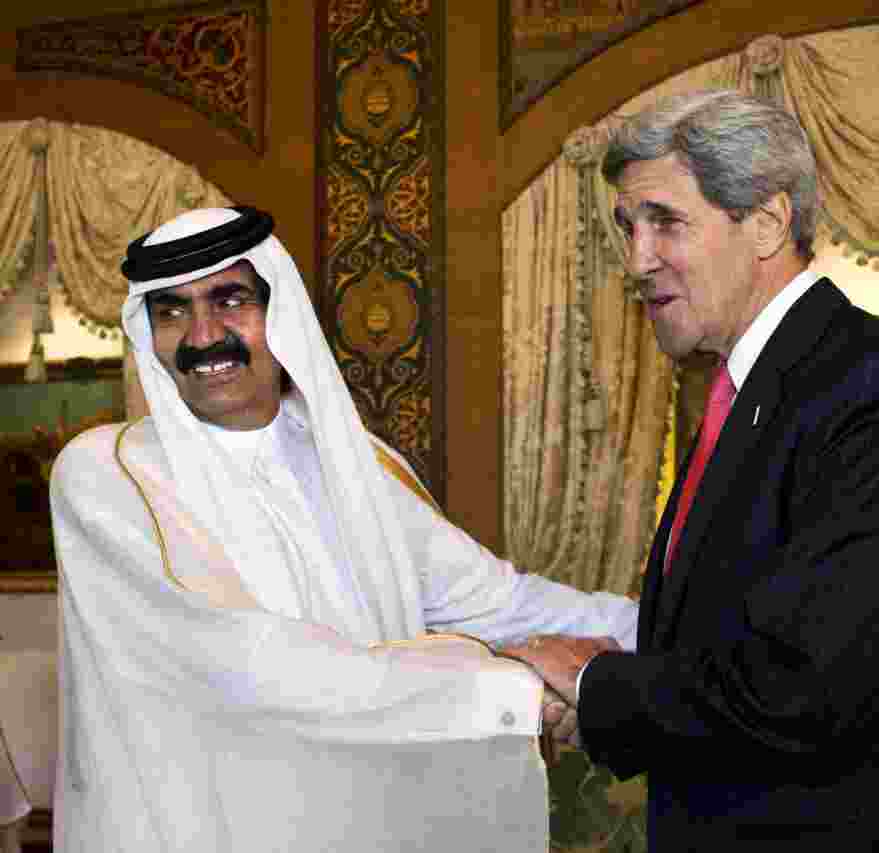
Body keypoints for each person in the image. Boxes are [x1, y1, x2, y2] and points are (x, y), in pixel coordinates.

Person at [49, 206, 637, 852]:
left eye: (230, 299)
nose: (202, 334)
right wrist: (515, 687)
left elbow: (502, 603)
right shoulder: (109, 473)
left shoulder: (363, 465)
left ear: (281, 311)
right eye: (172, 312)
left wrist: (670, 636)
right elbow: (243, 661)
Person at [505, 90, 879, 851]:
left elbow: (806, 687)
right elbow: (727, 645)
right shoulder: (748, 395)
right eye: (629, 228)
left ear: (765, 222)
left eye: (665, 221)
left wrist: (596, 688)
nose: (637, 260)